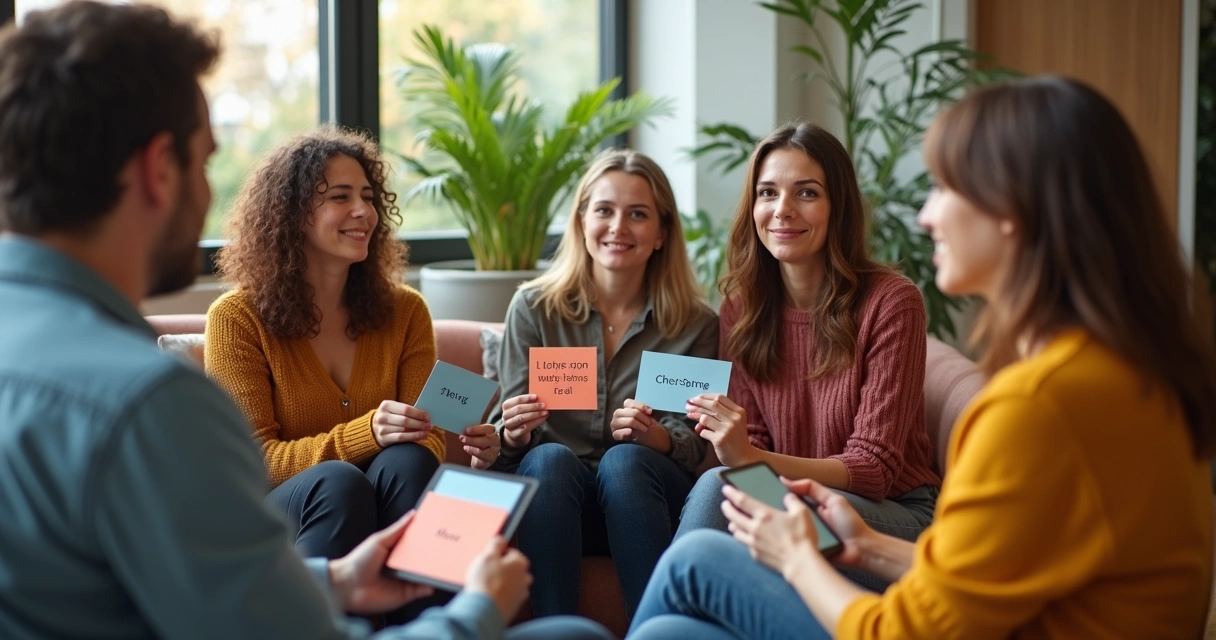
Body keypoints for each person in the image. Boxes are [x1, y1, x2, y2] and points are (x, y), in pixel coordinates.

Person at [0, 3, 610, 639]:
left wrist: (337, 581)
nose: (363, 213)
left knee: (398, 465)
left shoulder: (36, 355)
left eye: (368, 197)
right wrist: (477, 612)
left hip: (342, 551)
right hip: (313, 504)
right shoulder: (154, 400)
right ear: (159, 169)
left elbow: (201, 588)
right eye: (207, 162)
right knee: (571, 633)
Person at [629, 76, 1216, 639]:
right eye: (768, 192)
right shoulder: (1127, 377)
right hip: (874, 538)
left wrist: (799, 555)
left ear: (1018, 209)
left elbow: (907, 624)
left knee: (700, 553)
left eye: (945, 187)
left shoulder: (1036, 407)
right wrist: (864, 545)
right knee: (671, 628)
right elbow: (986, 577)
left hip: (893, 526)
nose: (926, 214)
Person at [205, 127, 494, 566]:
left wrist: (460, 440)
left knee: (410, 459)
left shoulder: (406, 311)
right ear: (292, 212)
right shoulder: (237, 318)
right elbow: (253, 464)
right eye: (340, 197)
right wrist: (366, 433)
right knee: (338, 481)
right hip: (285, 509)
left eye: (368, 197)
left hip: (389, 493)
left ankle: (426, 629)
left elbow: (431, 434)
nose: (363, 211)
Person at [676, 123, 941, 562]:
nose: (782, 210)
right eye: (767, 193)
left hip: (888, 517)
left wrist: (746, 458)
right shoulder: (743, 307)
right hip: (787, 496)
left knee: (719, 490)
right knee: (717, 491)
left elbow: (872, 470)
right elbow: (754, 436)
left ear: (838, 207)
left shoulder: (892, 302)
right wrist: (736, 448)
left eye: (807, 193)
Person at [484, 149, 718, 619]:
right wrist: (513, 430)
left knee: (626, 461)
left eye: (638, 214)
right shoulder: (533, 308)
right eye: (604, 210)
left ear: (661, 233)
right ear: (582, 222)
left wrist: (658, 438)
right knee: (548, 458)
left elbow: (693, 445)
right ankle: (556, 632)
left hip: (643, 501)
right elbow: (503, 438)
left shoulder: (696, 324)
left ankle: (656, 630)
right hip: (551, 499)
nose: (618, 227)